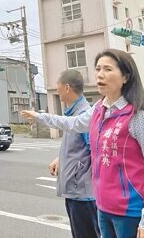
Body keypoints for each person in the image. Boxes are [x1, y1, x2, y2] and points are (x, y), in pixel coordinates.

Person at [22, 49, 144, 238]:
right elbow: (73, 123)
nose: (100, 74)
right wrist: (40, 117)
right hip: (103, 208)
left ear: (125, 77)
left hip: (130, 213)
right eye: (98, 69)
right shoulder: (99, 109)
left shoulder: (140, 115)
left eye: (108, 69)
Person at [48, 69, 100, 238]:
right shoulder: (74, 114)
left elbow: (95, 151)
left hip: (83, 194)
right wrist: (60, 158)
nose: (58, 91)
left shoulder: (84, 116)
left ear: (67, 88)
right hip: (75, 192)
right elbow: (78, 147)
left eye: (58, 86)